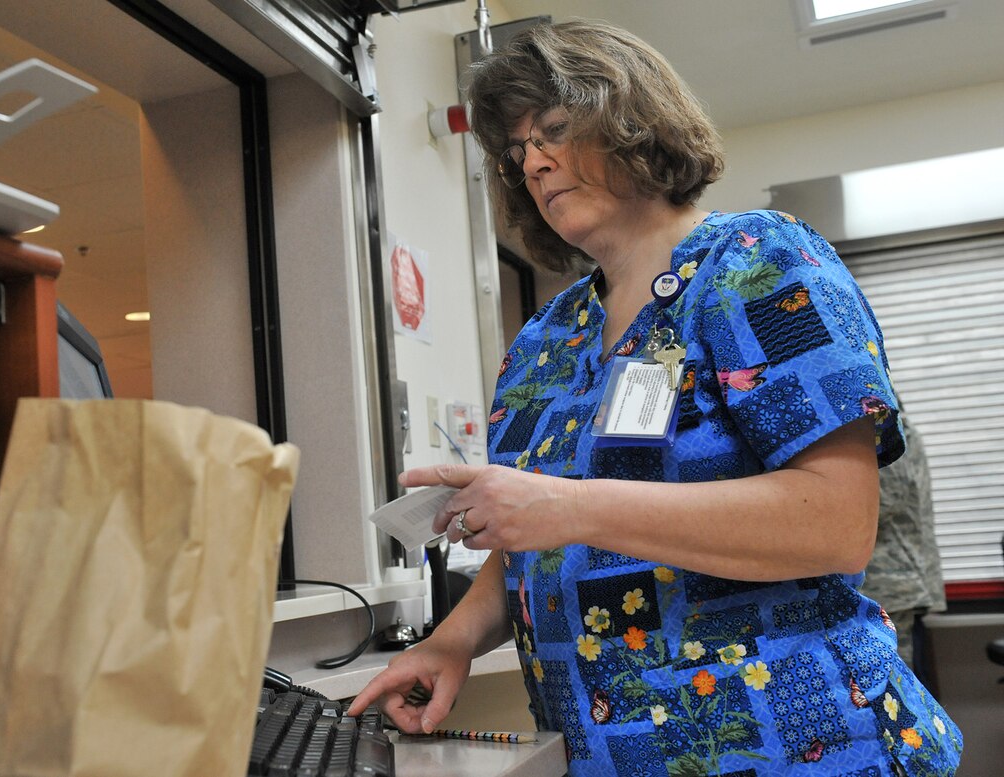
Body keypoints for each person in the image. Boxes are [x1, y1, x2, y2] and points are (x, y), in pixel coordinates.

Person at [349, 19, 962, 776]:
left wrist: (569, 506)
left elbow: (837, 523)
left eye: (556, 130)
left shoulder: (757, 264)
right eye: (517, 153)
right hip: (614, 753)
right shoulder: (546, 340)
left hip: (804, 750)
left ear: (630, 121)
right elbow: (532, 548)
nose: (534, 162)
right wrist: (450, 641)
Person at [860, 412, 947, 682]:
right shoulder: (886, 428)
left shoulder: (887, 431)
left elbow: (883, 500)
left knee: (900, 688)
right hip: (895, 581)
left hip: (894, 583)